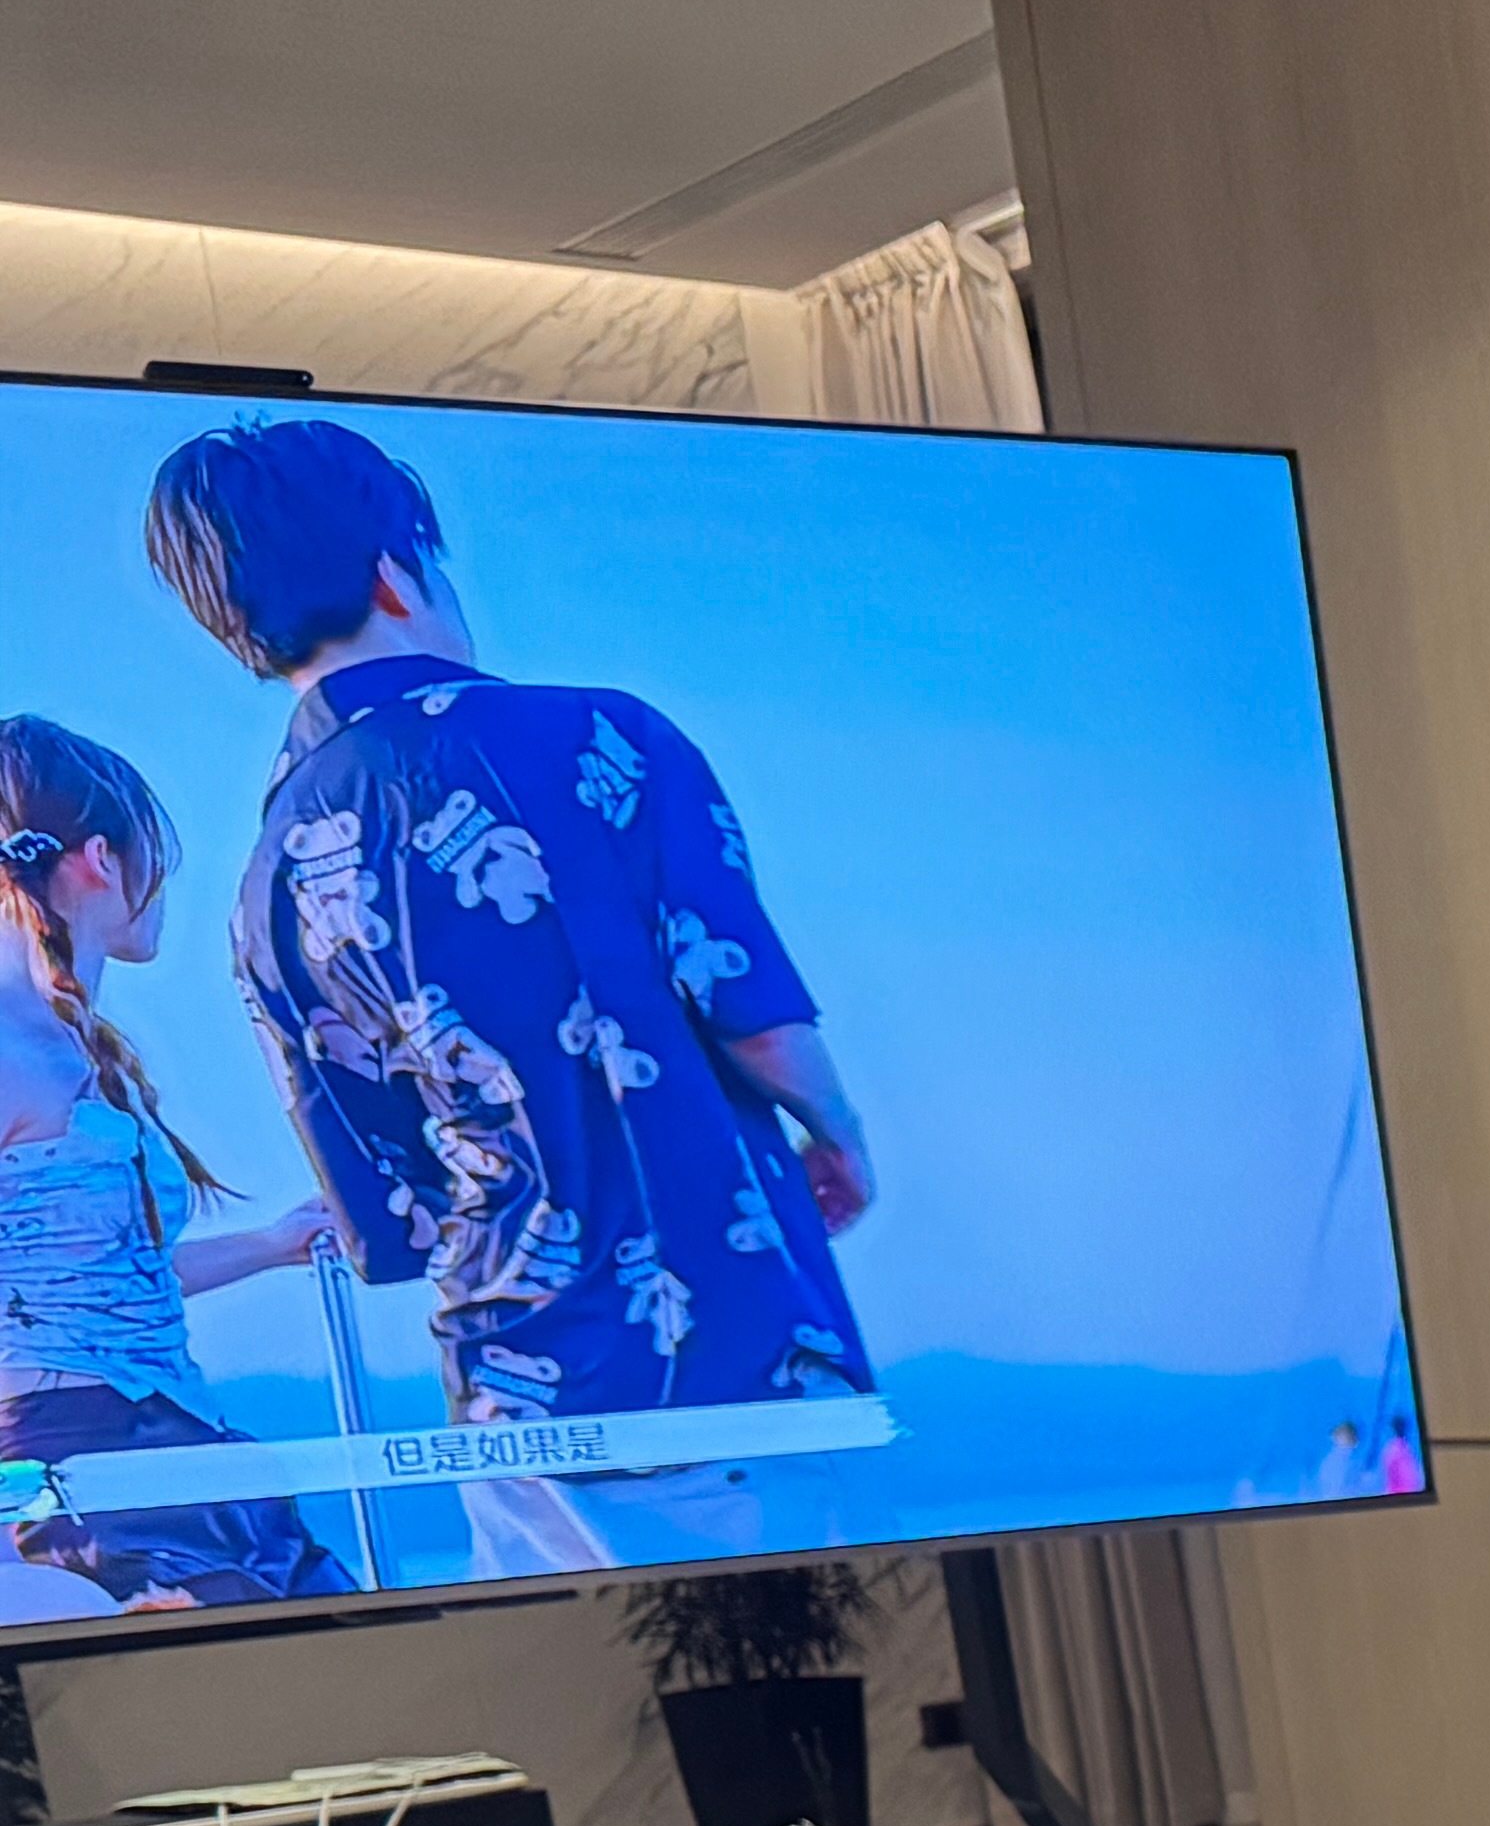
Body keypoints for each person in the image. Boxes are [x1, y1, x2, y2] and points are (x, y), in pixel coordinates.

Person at [143, 415, 881, 1573]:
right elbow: (750, 1009)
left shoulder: (266, 879)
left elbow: (387, 1202)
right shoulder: (600, 738)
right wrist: (835, 1133)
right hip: (723, 1355)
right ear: (398, 572)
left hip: (505, 1393)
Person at [0, 721, 345, 1609]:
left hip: (174, 1451)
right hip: (74, 1478)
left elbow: (107, 1277)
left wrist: (271, 1244)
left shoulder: (73, 1043)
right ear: (101, 860)